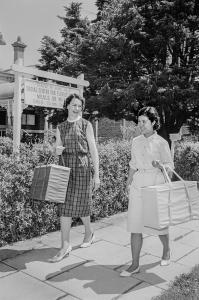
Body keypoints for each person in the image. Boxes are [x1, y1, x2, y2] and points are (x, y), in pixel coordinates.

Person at [120, 106, 174, 277]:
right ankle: (135, 264)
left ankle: (166, 250)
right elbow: (133, 164)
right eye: (139, 121)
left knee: (158, 225)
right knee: (135, 225)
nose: (140, 124)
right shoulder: (135, 141)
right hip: (138, 185)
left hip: (155, 186)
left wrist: (161, 166)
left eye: (144, 121)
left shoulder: (162, 143)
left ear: (153, 122)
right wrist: (128, 183)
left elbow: (170, 171)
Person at [49, 93, 100, 263]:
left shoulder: (86, 125)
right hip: (65, 168)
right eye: (74, 105)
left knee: (82, 203)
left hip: (82, 167)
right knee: (65, 207)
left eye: (79, 106)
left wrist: (97, 175)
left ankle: (89, 232)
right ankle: (65, 245)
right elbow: (56, 149)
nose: (77, 108)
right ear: (67, 106)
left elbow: (93, 151)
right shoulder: (61, 126)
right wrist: (56, 150)